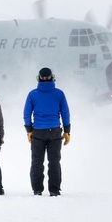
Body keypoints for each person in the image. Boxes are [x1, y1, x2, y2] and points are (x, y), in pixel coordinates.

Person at [23, 67, 71, 196]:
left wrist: (29, 130)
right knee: (54, 162)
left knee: (37, 162)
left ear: (38, 78)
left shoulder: (32, 94)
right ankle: (54, 190)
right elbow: (65, 113)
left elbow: (27, 114)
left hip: (38, 132)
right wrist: (67, 131)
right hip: (55, 132)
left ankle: (37, 189)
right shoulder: (59, 94)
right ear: (52, 77)